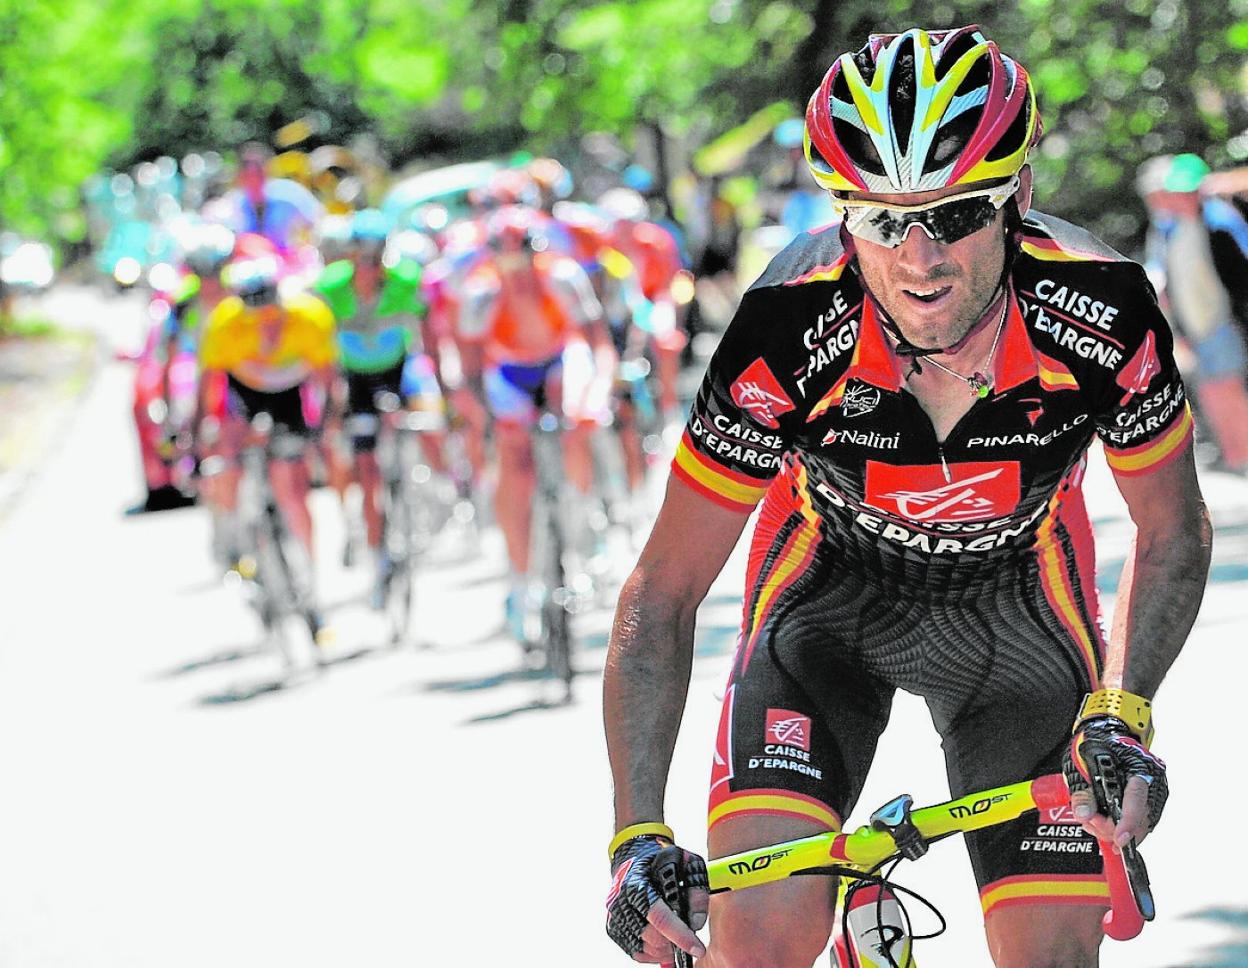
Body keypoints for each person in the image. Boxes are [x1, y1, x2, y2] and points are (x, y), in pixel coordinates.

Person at [603, 25, 1211, 967]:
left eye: (957, 214)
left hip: (1017, 617)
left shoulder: (1102, 310)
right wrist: (636, 835)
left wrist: (1122, 711)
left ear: (1018, 197)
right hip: (825, 611)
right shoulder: (788, 323)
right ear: (842, 215)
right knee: (758, 944)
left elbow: (1172, 529)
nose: (920, 258)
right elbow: (665, 589)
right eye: (883, 221)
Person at [454, 205, 615, 640]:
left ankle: (582, 524)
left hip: (561, 359)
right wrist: (488, 419)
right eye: (507, 263)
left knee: (577, 420)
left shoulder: (563, 278)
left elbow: (598, 345)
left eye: (524, 260)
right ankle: (521, 579)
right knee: (514, 461)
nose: (518, 274)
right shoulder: (479, 294)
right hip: (509, 372)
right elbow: (470, 371)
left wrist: (599, 390)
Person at [196, 245, 337, 640]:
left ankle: (309, 579)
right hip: (245, 394)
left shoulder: (309, 316)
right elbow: (208, 387)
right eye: (255, 314)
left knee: (293, 488)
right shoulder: (223, 323)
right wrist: (198, 437)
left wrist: (322, 430)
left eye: (271, 312)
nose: (265, 324)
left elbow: (328, 380)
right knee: (226, 452)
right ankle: (234, 533)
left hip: (289, 395)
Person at [314, 208, 448, 605]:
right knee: (367, 470)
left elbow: (429, 335)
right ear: (350, 253)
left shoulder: (406, 279)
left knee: (430, 422)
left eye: (377, 256)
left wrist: (442, 386)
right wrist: (330, 404)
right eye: (362, 255)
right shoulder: (330, 287)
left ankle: (443, 489)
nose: (369, 265)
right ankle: (377, 558)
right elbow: (320, 350)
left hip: (400, 370)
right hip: (356, 380)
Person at [1138, 153, 1248, 472]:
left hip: (1221, 323)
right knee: (1212, 390)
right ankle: (1234, 456)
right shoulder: (1173, 227)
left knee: (1228, 388)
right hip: (1196, 327)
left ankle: (1242, 457)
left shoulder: (1218, 222)